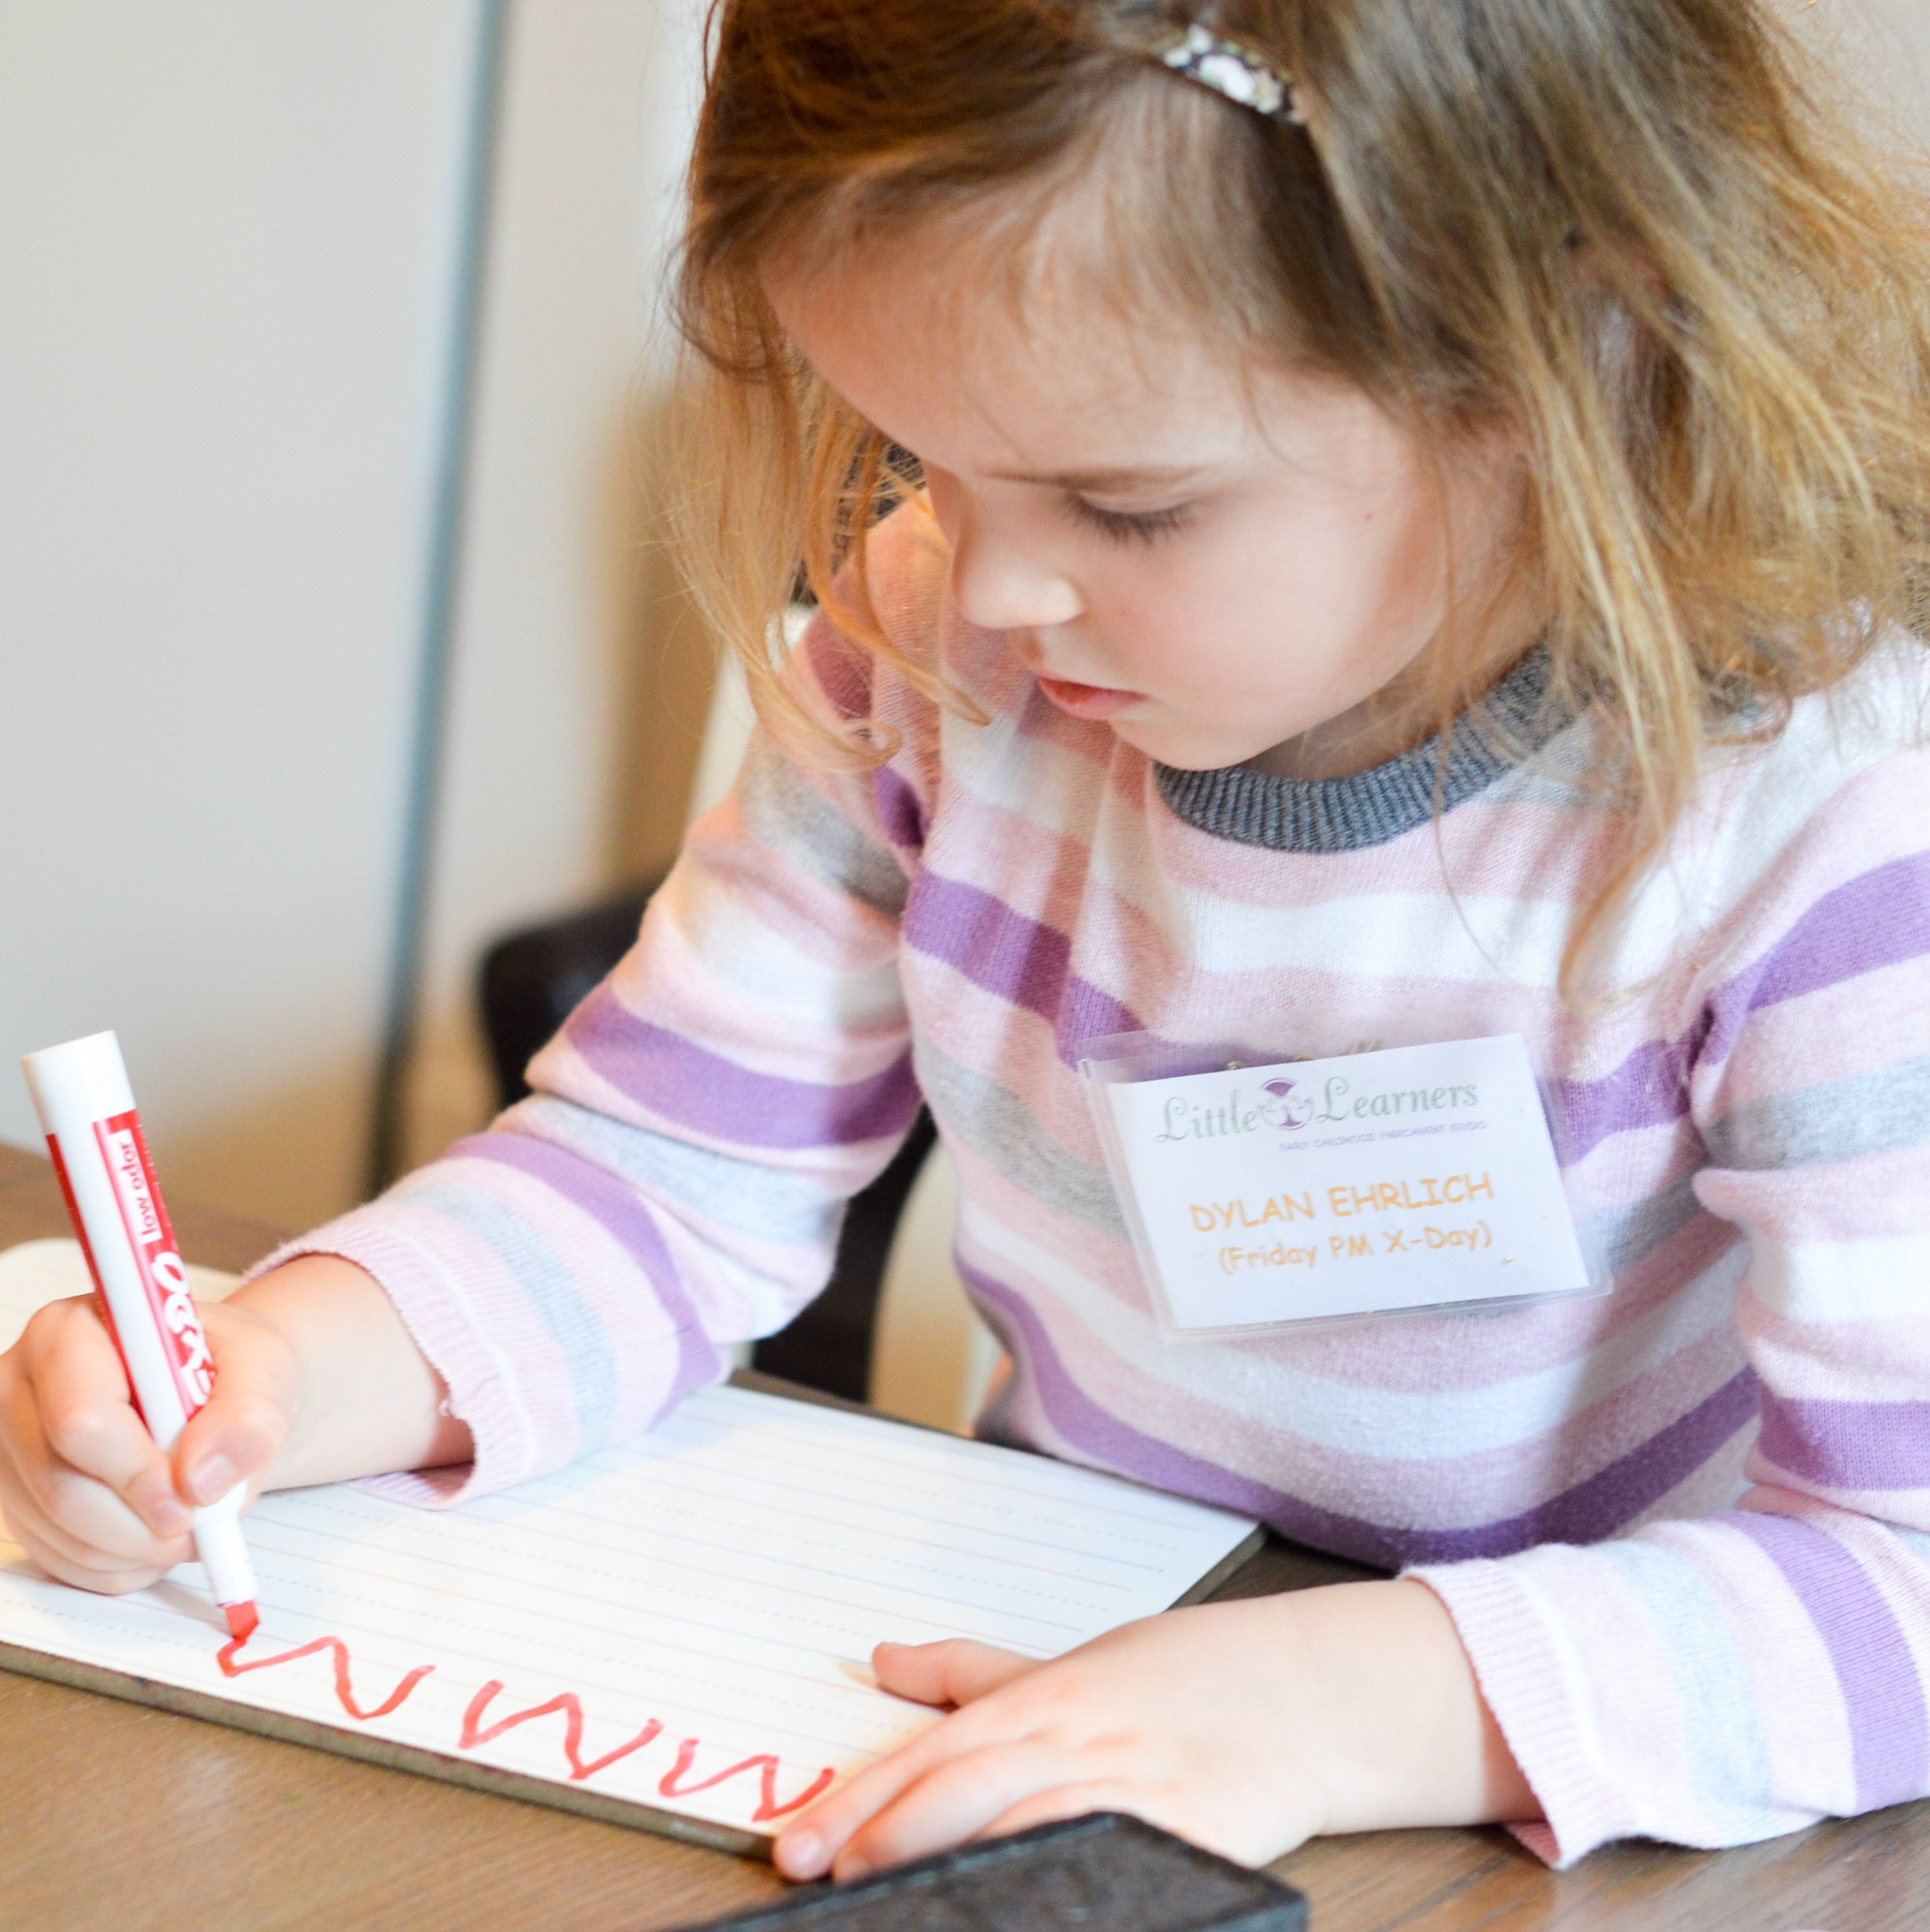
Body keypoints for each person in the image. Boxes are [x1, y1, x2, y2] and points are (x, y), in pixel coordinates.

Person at [6, 0, 1930, 1885]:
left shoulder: (1826, 827)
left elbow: (1901, 1584)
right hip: (1083, 1677)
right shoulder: (938, 660)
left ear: (1561, 349)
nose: (992, 582)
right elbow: (662, 1176)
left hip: (1614, 1793)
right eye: (920, 454)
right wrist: (275, 1381)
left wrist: (1329, 1708)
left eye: (1128, 505)